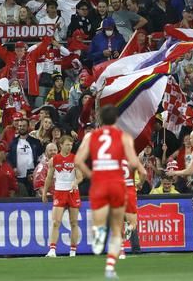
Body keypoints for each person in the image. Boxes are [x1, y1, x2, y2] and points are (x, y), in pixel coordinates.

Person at [74, 105, 146, 279]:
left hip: (99, 182)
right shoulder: (124, 137)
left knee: (99, 221)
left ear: (101, 120)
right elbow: (138, 166)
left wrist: (91, 174)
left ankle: (99, 232)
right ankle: (110, 268)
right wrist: (141, 176)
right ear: (116, 120)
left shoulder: (91, 136)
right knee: (116, 227)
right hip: (117, 183)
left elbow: (78, 160)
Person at [43, 135, 82, 257]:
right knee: (56, 222)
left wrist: (75, 182)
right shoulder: (54, 160)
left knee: (74, 222)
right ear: (61, 145)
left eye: (71, 145)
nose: (70, 147)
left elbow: (80, 176)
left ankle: (72, 251)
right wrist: (44, 192)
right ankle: (52, 249)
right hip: (59, 192)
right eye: (67, 144)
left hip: (72, 193)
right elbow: (49, 177)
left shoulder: (75, 159)